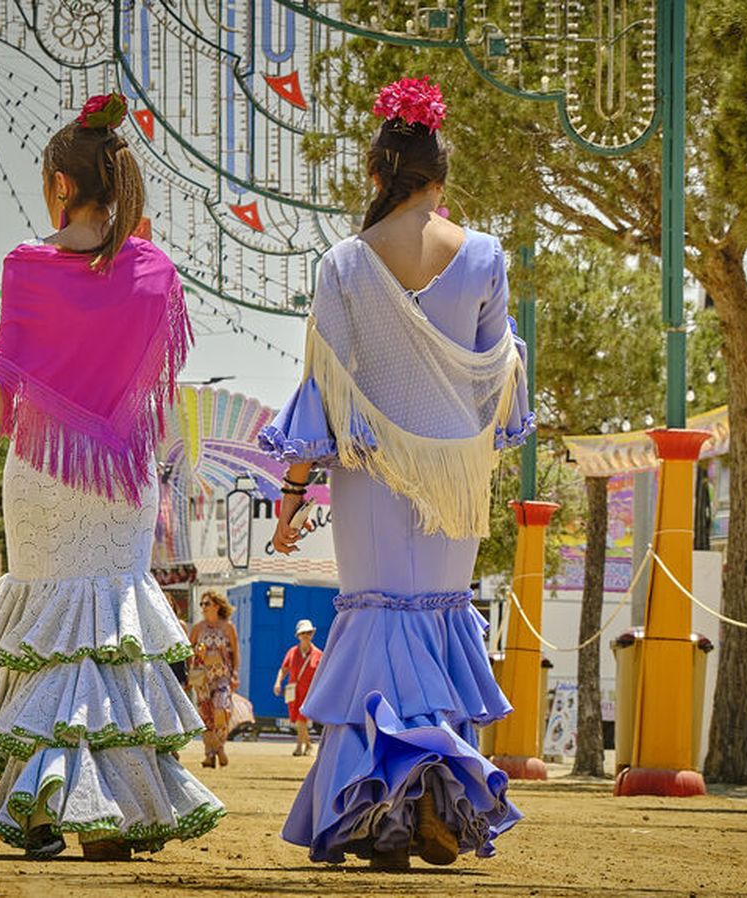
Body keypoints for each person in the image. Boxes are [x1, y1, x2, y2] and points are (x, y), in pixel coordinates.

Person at [0, 91, 222, 861]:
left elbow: (2, 383)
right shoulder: (158, 271)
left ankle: (43, 806)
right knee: (111, 633)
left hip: (41, 473)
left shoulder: (26, 266)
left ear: (60, 185)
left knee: (50, 634)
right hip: (124, 479)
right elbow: (155, 378)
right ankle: (118, 809)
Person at [261, 77, 531, 870]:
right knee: (439, 628)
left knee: (378, 630)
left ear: (377, 174)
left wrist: (291, 493)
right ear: (440, 177)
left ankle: (377, 808)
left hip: (372, 475)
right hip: (455, 483)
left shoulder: (343, 265)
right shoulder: (484, 256)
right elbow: (496, 374)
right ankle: (438, 803)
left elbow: (325, 386)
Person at [188, 592, 238, 769]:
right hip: (202, 678)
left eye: (206, 603)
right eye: (201, 604)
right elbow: (188, 651)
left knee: (220, 710)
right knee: (206, 716)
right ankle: (210, 754)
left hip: (221, 676)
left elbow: (235, 653)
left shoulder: (228, 627)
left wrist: (235, 674)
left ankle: (219, 747)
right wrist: (196, 654)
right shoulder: (198, 628)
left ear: (216, 605)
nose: (203, 607)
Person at [273, 619, 323, 757]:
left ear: (312, 634)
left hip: (309, 692)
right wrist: (278, 683)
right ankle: (308, 744)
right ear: (298, 636)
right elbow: (283, 669)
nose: (306, 635)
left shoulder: (318, 654)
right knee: (297, 720)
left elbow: (323, 674)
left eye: (308, 633)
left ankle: (299, 746)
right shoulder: (292, 652)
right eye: (303, 633)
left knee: (302, 719)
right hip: (293, 691)